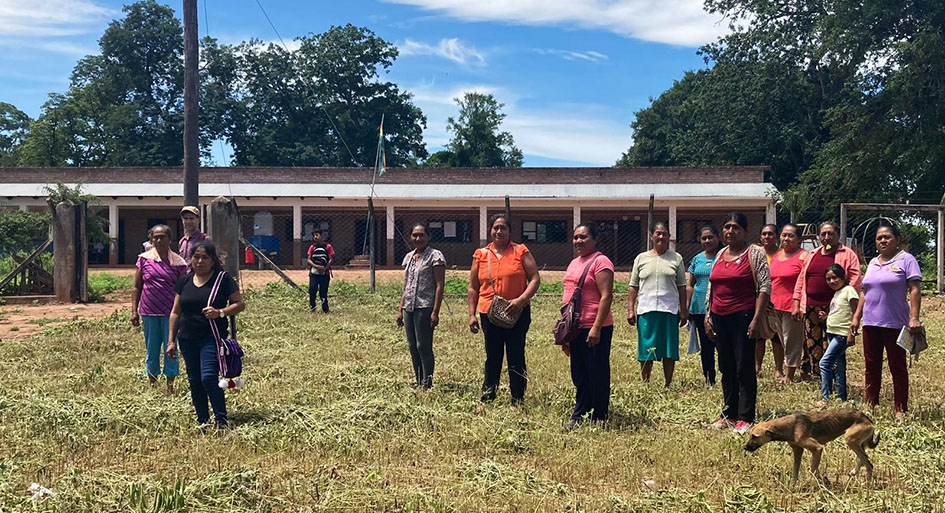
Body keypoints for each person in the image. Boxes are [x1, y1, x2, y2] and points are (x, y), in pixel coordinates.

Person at [167, 242, 245, 428]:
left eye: (205, 257)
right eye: (196, 257)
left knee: (208, 378)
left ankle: (221, 420)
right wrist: (171, 341)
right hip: (186, 339)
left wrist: (220, 312)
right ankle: (202, 420)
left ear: (212, 261)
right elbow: (175, 312)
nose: (200, 261)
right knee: (194, 380)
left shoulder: (222, 279)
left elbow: (239, 304)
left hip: (212, 338)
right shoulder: (184, 281)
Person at [705, 212, 770, 435]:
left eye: (735, 227)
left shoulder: (754, 254)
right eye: (727, 227)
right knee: (726, 366)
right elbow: (712, 287)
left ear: (744, 231)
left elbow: (764, 287)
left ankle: (745, 417)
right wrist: (708, 316)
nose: (730, 231)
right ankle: (728, 413)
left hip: (743, 317)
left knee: (744, 367)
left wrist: (756, 319)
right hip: (719, 317)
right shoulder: (721, 254)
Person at [468, 214, 540, 410]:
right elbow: (473, 286)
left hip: (518, 313)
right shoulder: (481, 254)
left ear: (510, 231)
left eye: (503, 228)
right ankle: (488, 397)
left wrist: (521, 300)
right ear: (490, 231)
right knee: (493, 356)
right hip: (489, 314)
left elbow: (535, 279)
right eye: (496, 228)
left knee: (516, 356)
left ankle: (518, 401)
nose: (499, 231)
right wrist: (472, 314)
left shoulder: (520, 251)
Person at [852, 223, 922, 421]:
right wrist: (857, 317)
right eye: (879, 238)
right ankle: (871, 404)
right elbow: (865, 291)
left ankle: (900, 409)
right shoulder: (873, 262)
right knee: (871, 365)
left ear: (897, 239)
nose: (882, 240)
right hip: (871, 323)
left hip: (895, 323)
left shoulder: (907, 260)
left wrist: (914, 317)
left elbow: (915, 289)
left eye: (887, 237)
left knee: (897, 367)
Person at [562, 223, 614, 428]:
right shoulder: (575, 262)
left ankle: (599, 416)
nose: (578, 241)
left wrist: (596, 327)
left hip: (595, 326)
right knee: (579, 372)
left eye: (583, 237)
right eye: (575, 237)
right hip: (575, 327)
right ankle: (581, 413)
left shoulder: (601, 262)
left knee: (597, 372)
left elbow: (606, 297)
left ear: (595, 239)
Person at [793, 221, 861, 379]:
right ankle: (819, 377)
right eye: (823, 234)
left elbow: (854, 281)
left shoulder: (847, 254)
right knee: (812, 343)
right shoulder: (813, 254)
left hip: (835, 308)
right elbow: (802, 279)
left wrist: (842, 302)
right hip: (811, 308)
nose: (826, 237)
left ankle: (836, 378)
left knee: (832, 344)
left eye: (830, 233)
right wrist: (797, 303)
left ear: (838, 235)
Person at [627, 221, 688, 387]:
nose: (661, 237)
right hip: (646, 310)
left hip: (669, 309)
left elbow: (682, 286)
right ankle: (646, 383)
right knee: (646, 348)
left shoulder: (676, 258)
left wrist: (684, 310)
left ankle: (667, 384)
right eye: (658, 233)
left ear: (669, 237)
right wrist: (630, 309)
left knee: (669, 349)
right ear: (651, 236)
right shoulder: (641, 258)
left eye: (665, 234)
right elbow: (633, 286)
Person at [131, 224, 187, 393]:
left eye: (162, 237)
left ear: (170, 239)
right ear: (150, 239)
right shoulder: (144, 259)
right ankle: (153, 385)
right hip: (149, 312)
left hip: (172, 314)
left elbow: (183, 290)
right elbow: (137, 287)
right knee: (152, 349)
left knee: (171, 349)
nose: (159, 240)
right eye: (155, 237)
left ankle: (170, 386)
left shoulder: (178, 263)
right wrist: (134, 311)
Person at [397, 223, 446, 390]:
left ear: (428, 237)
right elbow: (406, 285)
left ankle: (428, 383)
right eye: (414, 235)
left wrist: (435, 311)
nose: (418, 238)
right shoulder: (409, 257)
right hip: (409, 307)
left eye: (421, 235)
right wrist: (400, 309)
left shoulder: (435, 256)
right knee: (412, 346)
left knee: (423, 346)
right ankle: (419, 380)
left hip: (425, 307)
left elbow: (440, 285)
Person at [768, 224, 808, 383]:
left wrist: (799, 305)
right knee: (783, 340)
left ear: (799, 239)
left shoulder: (804, 256)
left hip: (792, 306)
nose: (786, 239)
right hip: (774, 305)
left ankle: (789, 377)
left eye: (791, 236)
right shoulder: (777, 255)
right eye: (784, 235)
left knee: (792, 341)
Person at [817, 264, 858, 406]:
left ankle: (825, 398)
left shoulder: (848, 290)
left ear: (842, 277)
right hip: (832, 332)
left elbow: (855, 311)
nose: (831, 281)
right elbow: (840, 311)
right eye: (828, 279)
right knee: (839, 366)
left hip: (841, 334)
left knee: (824, 363)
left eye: (834, 277)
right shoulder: (836, 294)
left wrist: (852, 332)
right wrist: (827, 316)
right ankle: (841, 397)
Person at [687, 224, 722, 386]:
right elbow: (690, 284)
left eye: (710, 237)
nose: (707, 240)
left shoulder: (724, 256)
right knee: (706, 346)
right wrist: (687, 306)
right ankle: (709, 379)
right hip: (699, 309)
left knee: (722, 345)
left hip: (720, 307)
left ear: (718, 237)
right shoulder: (697, 259)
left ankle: (727, 376)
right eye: (704, 238)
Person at [755, 223, 785, 380]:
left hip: (777, 300)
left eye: (771, 234)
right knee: (758, 336)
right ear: (760, 237)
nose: (767, 237)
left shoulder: (782, 254)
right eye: (764, 234)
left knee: (776, 336)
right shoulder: (755, 254)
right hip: (759, 299)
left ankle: (779, 369)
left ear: (777, 236)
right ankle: (757, 367)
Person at [306, 230, 335, 313]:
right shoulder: (312, 247)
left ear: (322, 236)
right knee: (312, 290)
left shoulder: (328, 247)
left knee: (323, 292)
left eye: (317, 235)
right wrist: (316, 266)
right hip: (314, 273)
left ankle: (325, 309)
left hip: (324, 274)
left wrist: (325, 269)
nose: (315, 237)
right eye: (314, 235)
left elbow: (331, 259)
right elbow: (309, 260)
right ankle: (312, 308)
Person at [178, 206, 210, 271]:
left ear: (198, 220)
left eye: (191, 218)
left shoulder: (205, 239)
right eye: (185, 218)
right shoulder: (182, 241)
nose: (188, 221)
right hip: (184, 278)